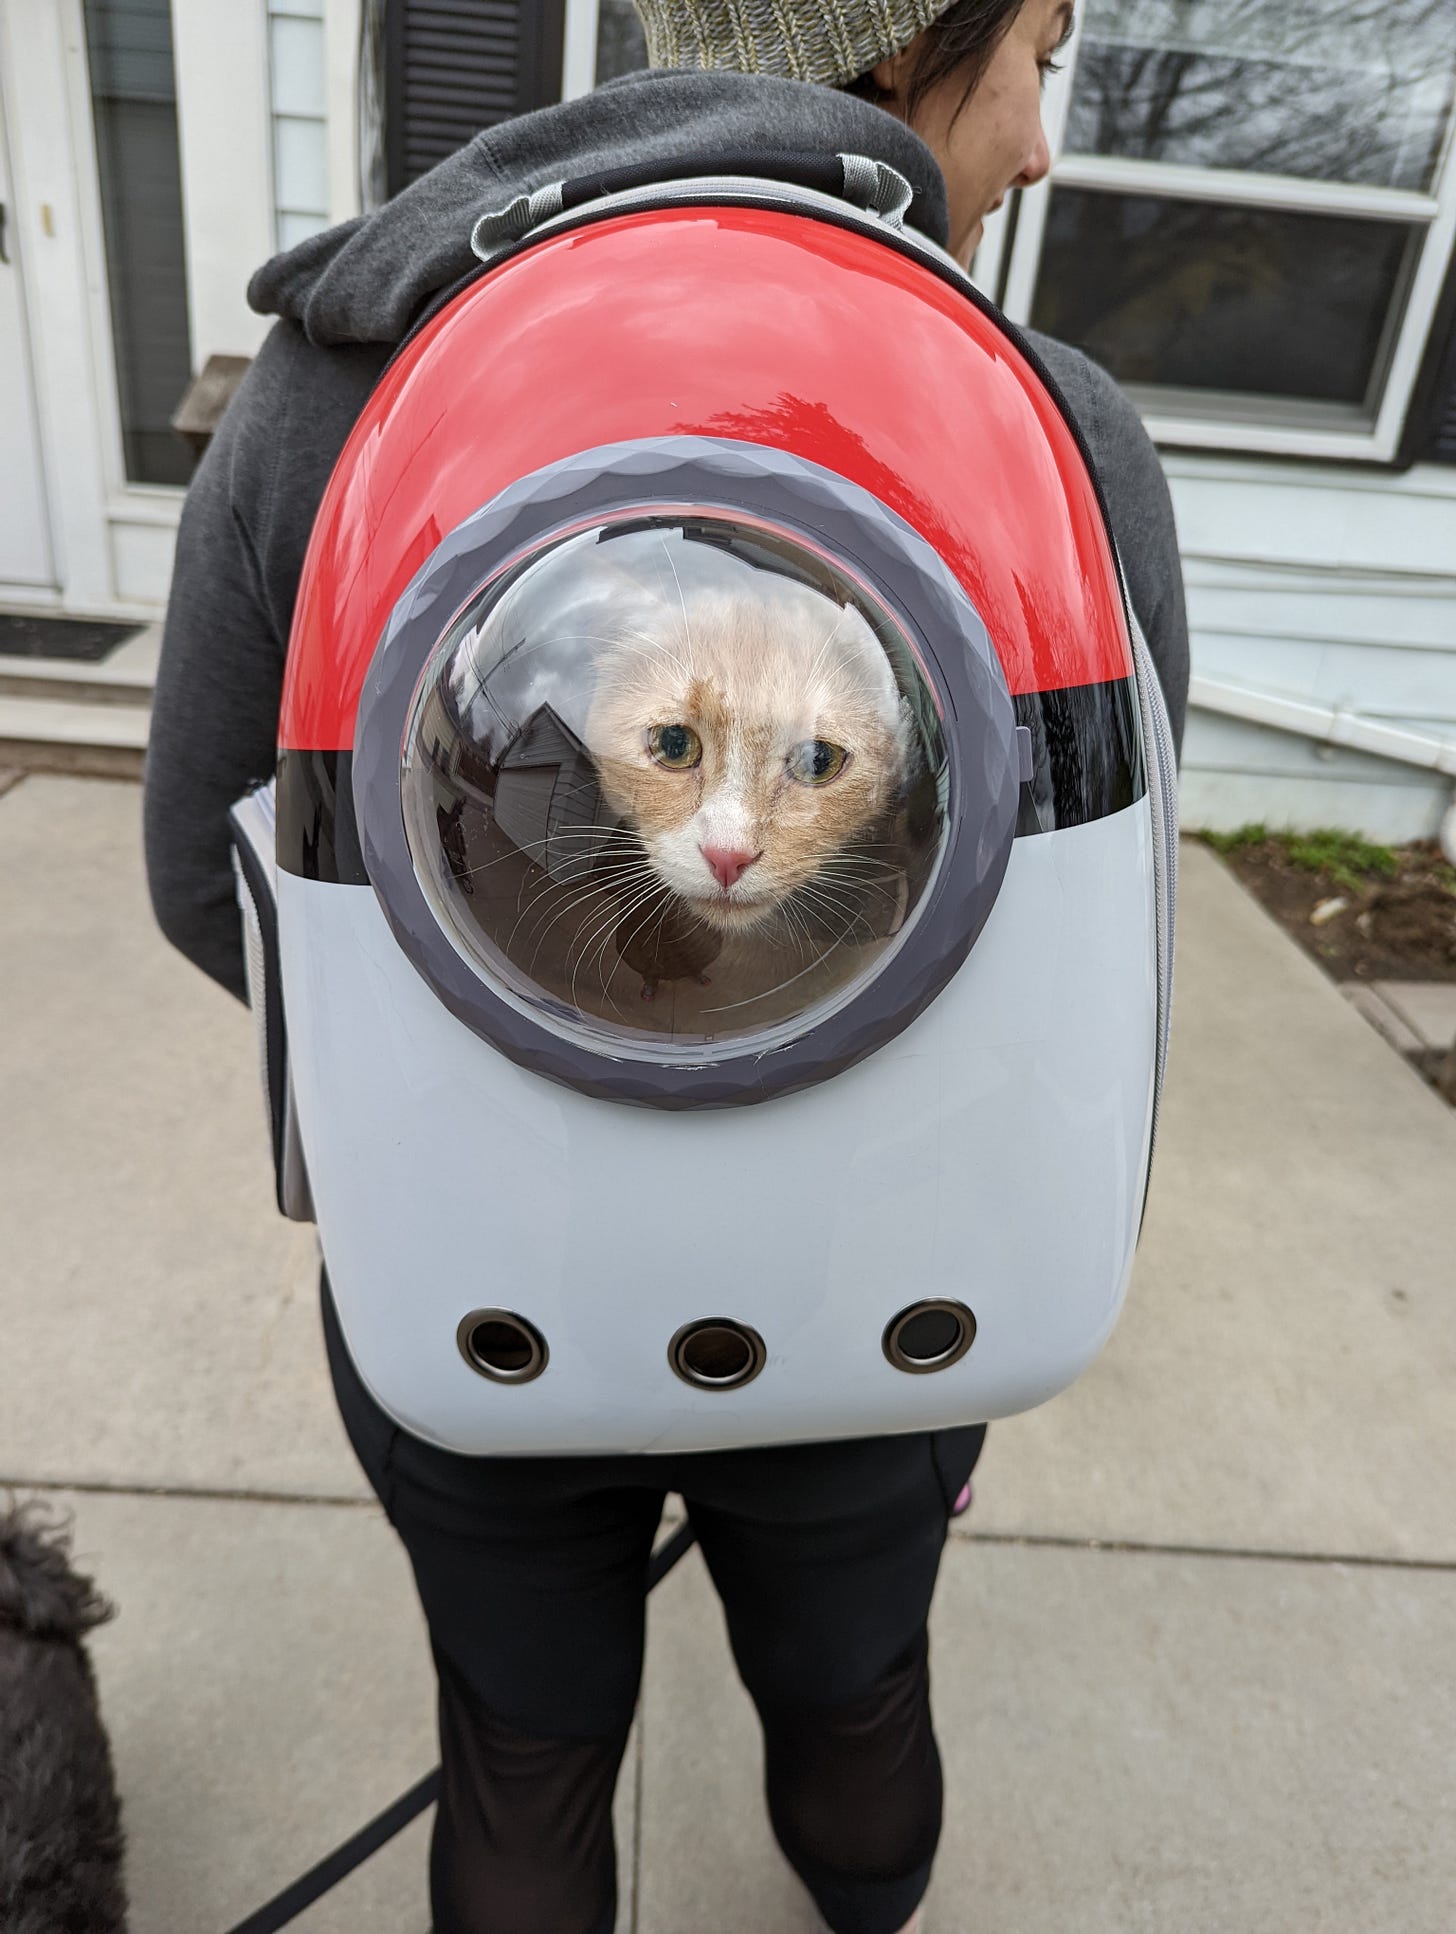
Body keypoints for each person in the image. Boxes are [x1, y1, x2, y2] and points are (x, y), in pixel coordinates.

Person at [144, 5, 1189, 1931]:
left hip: (479, 1287)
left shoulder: (328, 389)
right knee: (858, 1698)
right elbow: (1101, 943)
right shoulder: (1051, 422)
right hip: (890, 1299)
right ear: (906, 49)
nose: (1040, 144)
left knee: (527, 1757)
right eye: (1036, 53)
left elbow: (206, 890)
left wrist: (497, 1053)